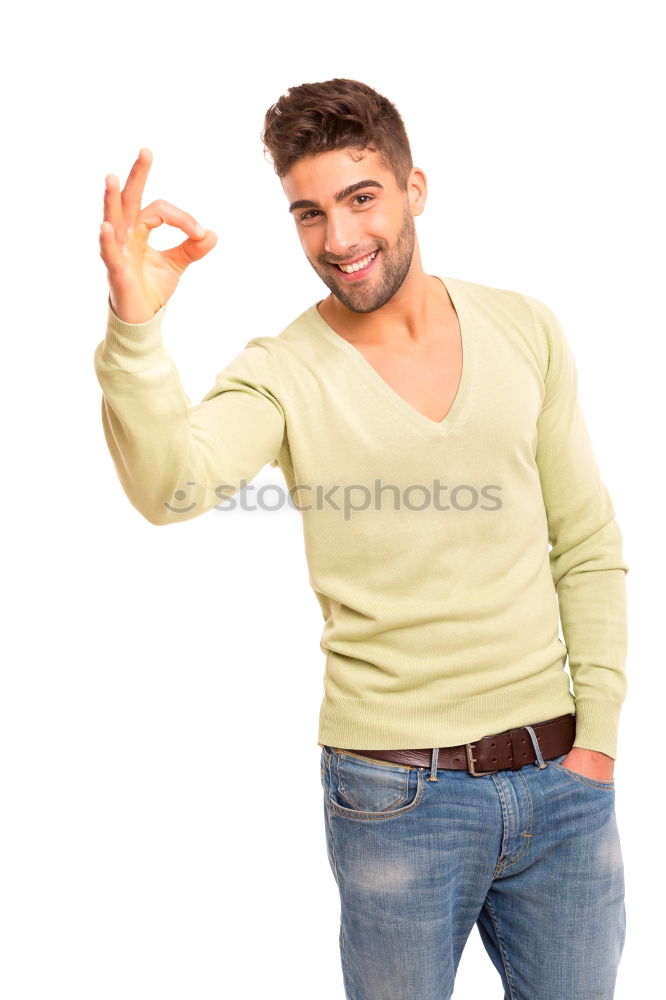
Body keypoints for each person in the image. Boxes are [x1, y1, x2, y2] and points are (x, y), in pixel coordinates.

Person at [94, 78, 628, 1000]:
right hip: (395, 799)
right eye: (308, 212)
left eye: (360, 198)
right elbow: (168, 486)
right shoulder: (282, 371)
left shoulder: (525, 328)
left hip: (563, 782)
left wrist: (600, 743)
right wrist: (137, 327)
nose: (338, 240)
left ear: (414, 187)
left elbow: (585, 541)